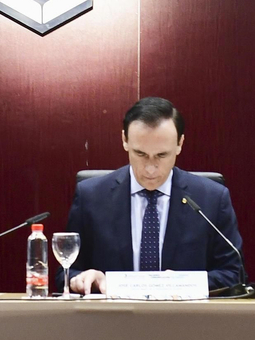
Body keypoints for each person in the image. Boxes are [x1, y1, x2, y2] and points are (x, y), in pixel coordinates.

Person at [66, 98, 245, 295]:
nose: (150, 168)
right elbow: (65, 273)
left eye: (161, 155)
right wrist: (84, 279)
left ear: (180, 144)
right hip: (113, 320)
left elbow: (234, 274)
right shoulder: (91, 196)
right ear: (125, 140)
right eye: (141, 154)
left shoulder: (211, 199)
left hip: (186, 321)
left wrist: (183, 283)